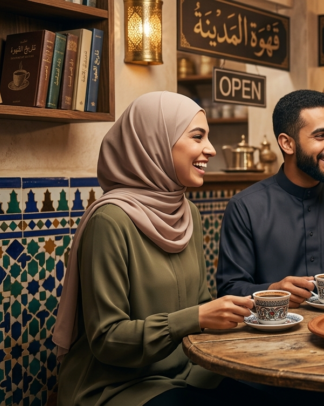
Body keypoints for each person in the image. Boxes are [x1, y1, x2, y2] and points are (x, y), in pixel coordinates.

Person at [53, 92, 266, 406]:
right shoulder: (109, 220)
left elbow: (201, 307)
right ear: (155, 143)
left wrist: (260, 312)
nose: (211, 149)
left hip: (187, 371)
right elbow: (107, 339)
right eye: (198, 137)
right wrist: (196, 317)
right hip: (118, 387)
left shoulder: (188, 213)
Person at [217, 90, 324, 308]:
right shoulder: (245, 208)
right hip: (272, 330)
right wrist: (272, 290)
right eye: (321, 136)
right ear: (287, 143)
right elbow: (229, 290)